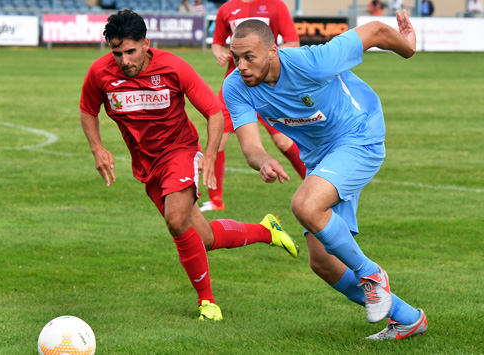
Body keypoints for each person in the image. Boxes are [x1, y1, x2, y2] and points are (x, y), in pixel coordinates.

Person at [79, 10, 299, 322]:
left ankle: (207, 302)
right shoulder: (100, 73)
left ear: (146, 44)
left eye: (131, 51)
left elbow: (213, 111)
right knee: (204, 238)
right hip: (146, 164)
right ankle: (266, 230)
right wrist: (97, 147)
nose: (125, 61)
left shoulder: (172, 67)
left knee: (175, 219)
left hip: (179, 151)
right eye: (117, 53)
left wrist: (208, 155)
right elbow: (88, 109)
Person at [222, 12, 428, 339]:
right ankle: (407, 318)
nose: (242, 66)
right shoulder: (236, 87)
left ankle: (372, 275)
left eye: (249, 57)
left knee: (305, 206)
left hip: (359, 135)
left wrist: (408, 49)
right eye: (236, 58)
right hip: (321, 156)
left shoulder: (312, 62)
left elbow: (374, 30)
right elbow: (250, 146)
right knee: (323, 263)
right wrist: (262, 161)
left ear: (272, 52)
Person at [200, 0, 306, 212]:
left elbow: (294, 43)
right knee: (217, 140)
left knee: (284, 142)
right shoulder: (227, 9)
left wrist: (263, 54)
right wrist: (219, 53)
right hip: (236, 86)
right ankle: (216, 201)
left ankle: (316, 183)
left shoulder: (276, 5)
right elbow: (217, 42)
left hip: (267, 84)